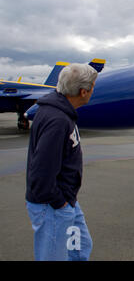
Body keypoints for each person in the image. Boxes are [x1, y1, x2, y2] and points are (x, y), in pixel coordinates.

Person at [25, 63, 97, 261]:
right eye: (92, 87)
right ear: (83, 92)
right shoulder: (57, 120)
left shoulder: (60, 112)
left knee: (80, 249)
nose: (93, 91)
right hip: (53, 206)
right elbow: (41, 173)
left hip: (66, 200)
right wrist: (61, 204)